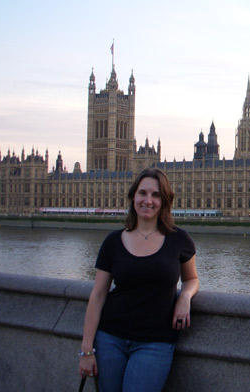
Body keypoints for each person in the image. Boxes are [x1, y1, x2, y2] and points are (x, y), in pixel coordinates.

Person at [78, 168, 199, 392]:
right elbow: (98, 294)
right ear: (133, 196)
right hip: (109, 339)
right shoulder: (113, 241)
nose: (148, 200)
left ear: (164, 201)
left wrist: (184, 297)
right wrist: (86, 350)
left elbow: (191, 279)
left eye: (155, 195)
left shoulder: (179, 239)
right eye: (142, 193)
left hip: (155, 342)